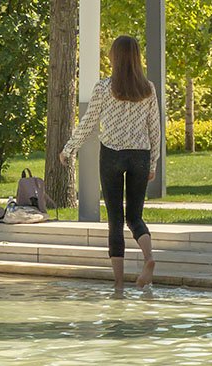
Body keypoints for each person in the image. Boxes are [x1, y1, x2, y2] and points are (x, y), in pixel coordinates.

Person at [59, 36, 162, 290]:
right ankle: (148, 258)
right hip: (140, 155)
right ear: (137, 58)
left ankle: (118, 286)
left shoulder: (104, 88)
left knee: (115, 220)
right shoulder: (148, 89)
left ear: (114, 58)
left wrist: (69, 149)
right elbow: (155, 129)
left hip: (112, 155)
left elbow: (88, 123)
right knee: (135, 217)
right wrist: (153, 163)